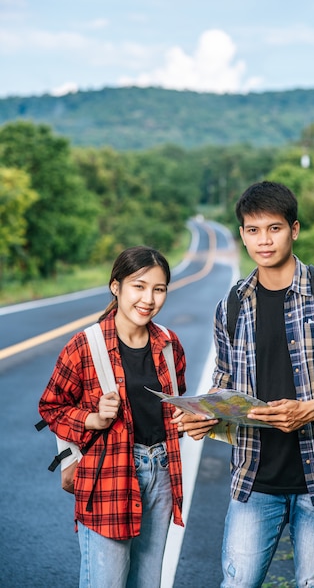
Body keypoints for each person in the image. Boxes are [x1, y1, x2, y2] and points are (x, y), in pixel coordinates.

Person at [174, 181, 314, 588]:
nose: (263, 240)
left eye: (274, 228)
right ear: (242, 236)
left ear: (294, 229)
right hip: (255, 480)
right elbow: (224, 386)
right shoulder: (230, 305)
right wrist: (204, 419)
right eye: (253, 230)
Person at [39, 246, 186, 588]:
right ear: (116, 287)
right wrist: (92, 419)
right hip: (109, 477)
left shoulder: (169, 344)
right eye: (138, 285)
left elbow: (176, 405)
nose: (148, 298)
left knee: (148, 582)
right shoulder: (83, 347)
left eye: (158, 288)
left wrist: (192, 417)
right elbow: (51, 407)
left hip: (162, 473)